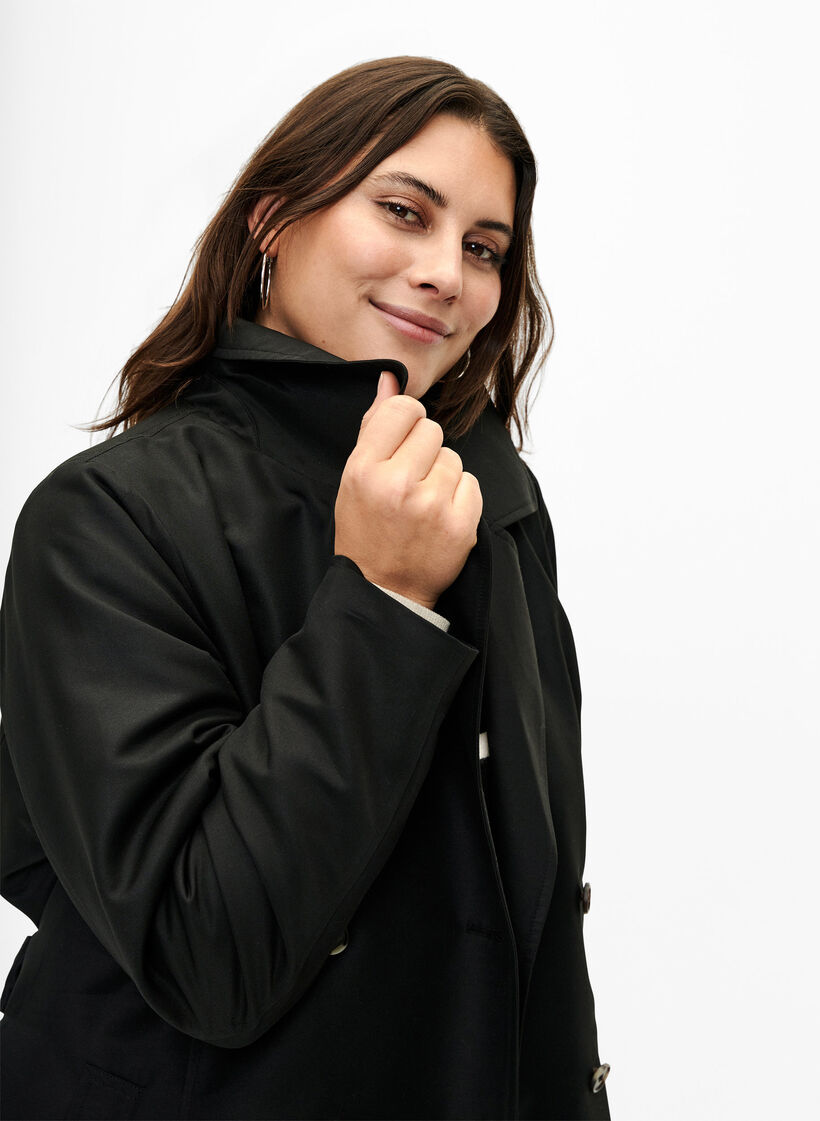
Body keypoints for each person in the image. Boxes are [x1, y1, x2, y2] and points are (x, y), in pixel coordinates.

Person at [0, 56, 610, 1120]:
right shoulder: (108, 515)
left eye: (483, 247)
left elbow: (533, 917)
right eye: (403, 211)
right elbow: (206, 951)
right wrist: (381, 597)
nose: (446, 273)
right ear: (273, 220)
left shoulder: (489, 502)